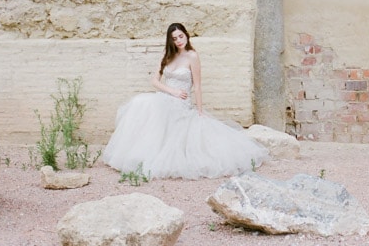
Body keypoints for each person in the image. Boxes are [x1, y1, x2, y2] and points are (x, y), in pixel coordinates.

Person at [103, 23, 269, 179]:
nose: (179, 41)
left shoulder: (192, 56)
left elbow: (197, 86)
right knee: (140, 102)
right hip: (166, 96)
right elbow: (154, 81)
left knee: (150, 106)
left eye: (181, 36)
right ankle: (136, 154)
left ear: (187, 36)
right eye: (174, 39)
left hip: (181, 103)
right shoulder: (168, 55)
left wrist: (200, 110)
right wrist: (172, 90)